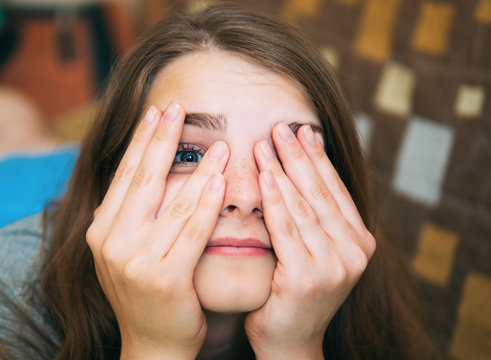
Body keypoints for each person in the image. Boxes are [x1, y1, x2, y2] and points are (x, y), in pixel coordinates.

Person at [0, 4, 439, 359]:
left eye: (288, 158)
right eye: (188, 155)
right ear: (111, 178)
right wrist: (156, 348)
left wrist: (294, 348)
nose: (246, 197)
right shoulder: (13, 287)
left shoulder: (360, 265)